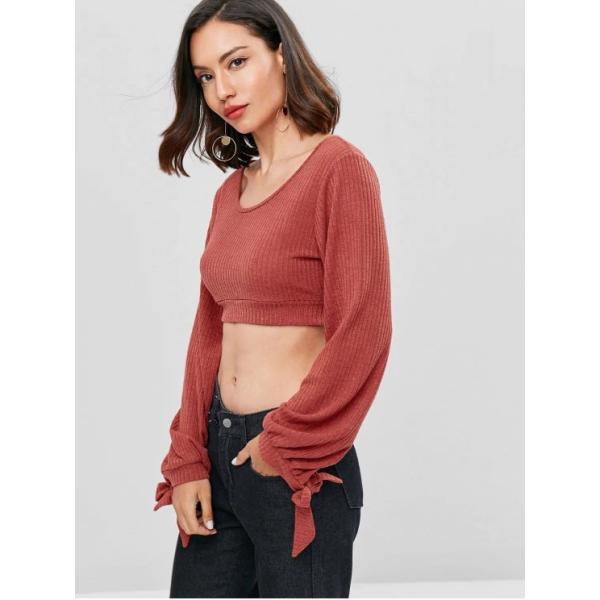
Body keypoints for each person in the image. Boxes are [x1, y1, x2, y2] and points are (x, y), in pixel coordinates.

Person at [153, 0, 393, 597]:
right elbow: (208, 333)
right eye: (205, 76)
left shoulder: (339, 170)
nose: (222, 90)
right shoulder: (231, 193)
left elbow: (363, 327)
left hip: (295, 462)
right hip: (218, 455)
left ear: (281, 55)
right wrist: (189, 456)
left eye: (237, 62)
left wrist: (283, 443)